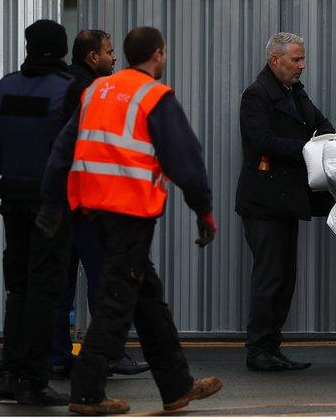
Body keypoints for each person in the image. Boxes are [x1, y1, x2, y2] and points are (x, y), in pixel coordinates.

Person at [41, 26, 221, 415]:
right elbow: (186, 161)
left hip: (89, 212)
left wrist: (51, 205)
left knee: (146, 298)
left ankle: (176, 387)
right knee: (117, 303)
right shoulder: (154, 96)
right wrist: (203, 211)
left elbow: (62, 149)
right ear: (158, 55)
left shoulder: (96, 91)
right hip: (128, 214)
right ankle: (86, 393)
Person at [0, 19, 78, 406]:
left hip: (13, 205)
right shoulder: (69, 91)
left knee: (19, 289)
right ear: (62, 49)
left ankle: (10, 375)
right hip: (53, 208)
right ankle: (34, 379)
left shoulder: (5, 87)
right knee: (45, 291)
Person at [49, 30, 148, 379]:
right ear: (92, 57)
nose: (114, 58)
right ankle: (109, 353)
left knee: (61, 284)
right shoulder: (93, 91)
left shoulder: (60, 86)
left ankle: (58, 354)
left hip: (60, 202)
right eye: (108, 52)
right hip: (90, 203)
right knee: (105, 279)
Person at [235, 32, 335, 371]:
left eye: (302, 59)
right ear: (275, 60)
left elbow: (321, 125)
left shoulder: (295, 92)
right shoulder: (256, 95)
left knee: (284, 276)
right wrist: (308, 149)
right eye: (296, 60)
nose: (302, 66)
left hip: (286, 201)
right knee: (270, 275)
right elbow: (262, 139)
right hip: (264, 202)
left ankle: (271, 346)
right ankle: (258, 350)